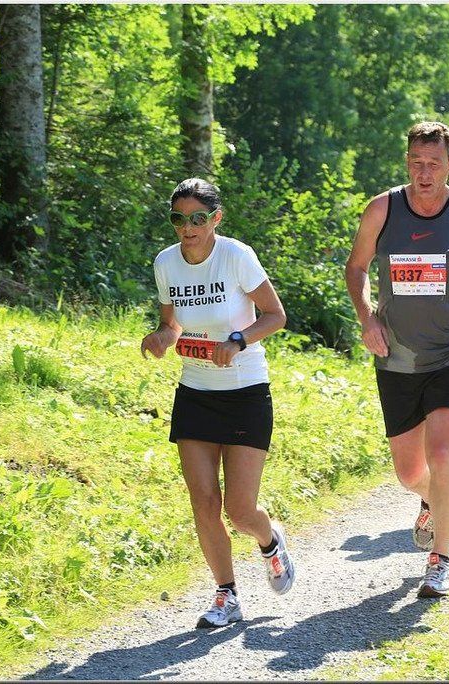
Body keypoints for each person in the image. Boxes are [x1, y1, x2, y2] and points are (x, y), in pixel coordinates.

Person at [344, 122, 449, 598]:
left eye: (435, 163)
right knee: (410, 472)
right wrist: (367, 318)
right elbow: (356, 267)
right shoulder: (383, 209)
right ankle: (435, 500)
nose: (424, 172)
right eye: (416, 162)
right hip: (395, 353)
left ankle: (440, 560)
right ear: (407, 162)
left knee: (441, 454)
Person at [140, 178, 294, 629]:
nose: (187, 228)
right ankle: (226, 594)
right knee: (204, 502)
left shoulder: (236, 256)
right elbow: (172, 324)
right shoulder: (166, 263)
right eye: (178, 219)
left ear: (215, 219)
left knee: (240, 510)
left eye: (197, 219)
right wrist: (161, 337)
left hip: (245, 392)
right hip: (195, 393)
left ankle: (270, 542)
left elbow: (276, 316)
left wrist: (238, 340)